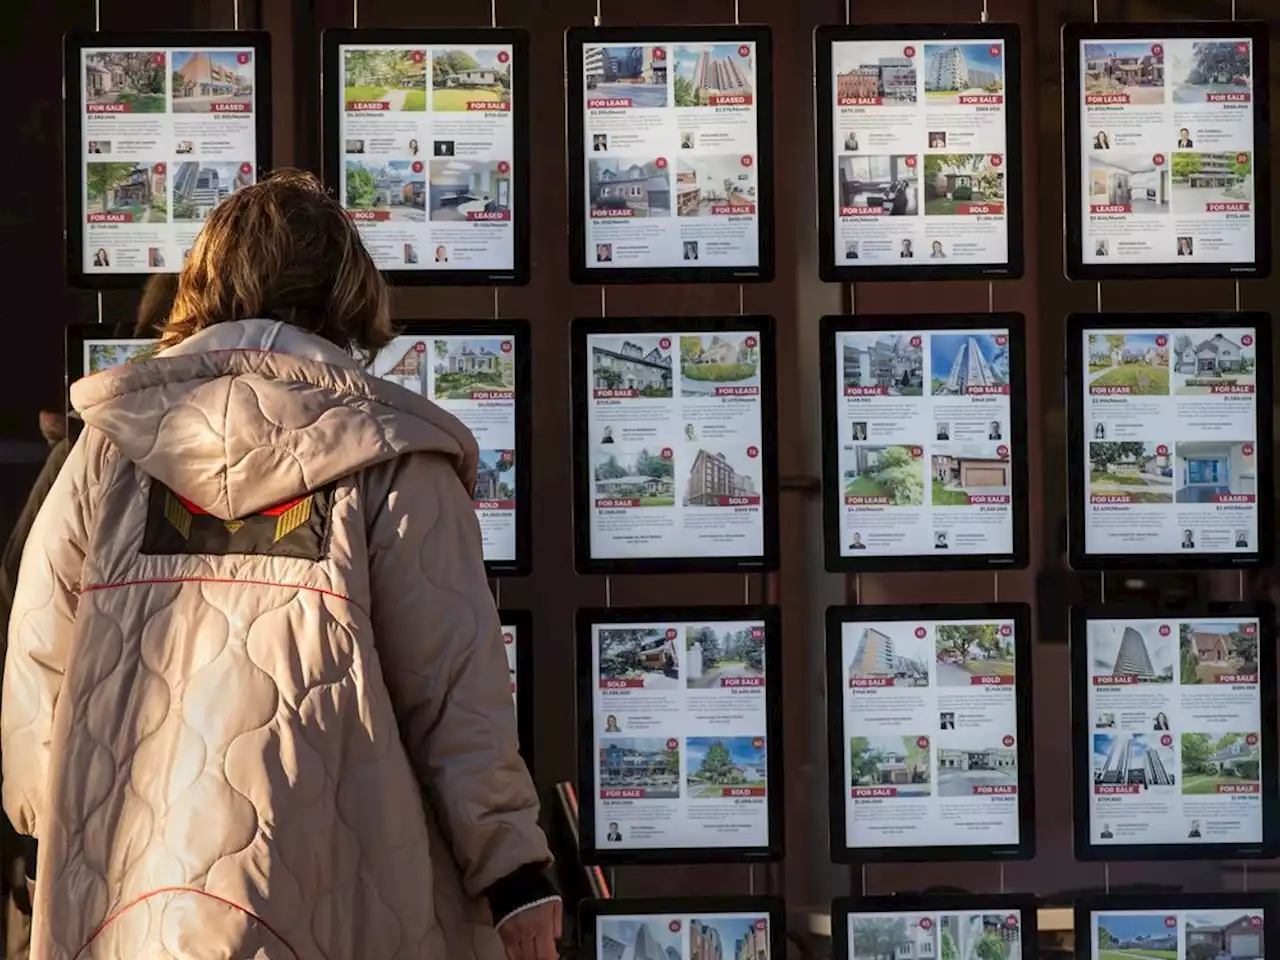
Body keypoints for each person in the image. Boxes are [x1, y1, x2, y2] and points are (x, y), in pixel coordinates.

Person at [1, 171, 559, 960]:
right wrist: (516, 876)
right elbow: (455, 692)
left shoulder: (106, 452)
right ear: (347, 292)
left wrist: (51, 833)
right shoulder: (392, 455)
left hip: (124, 903)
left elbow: (37, 682)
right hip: (343, 897)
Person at [0, 272, 179, 960]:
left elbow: (30, 603)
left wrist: (43, 829)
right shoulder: (97, 444)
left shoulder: (95, 444)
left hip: (94, 810)